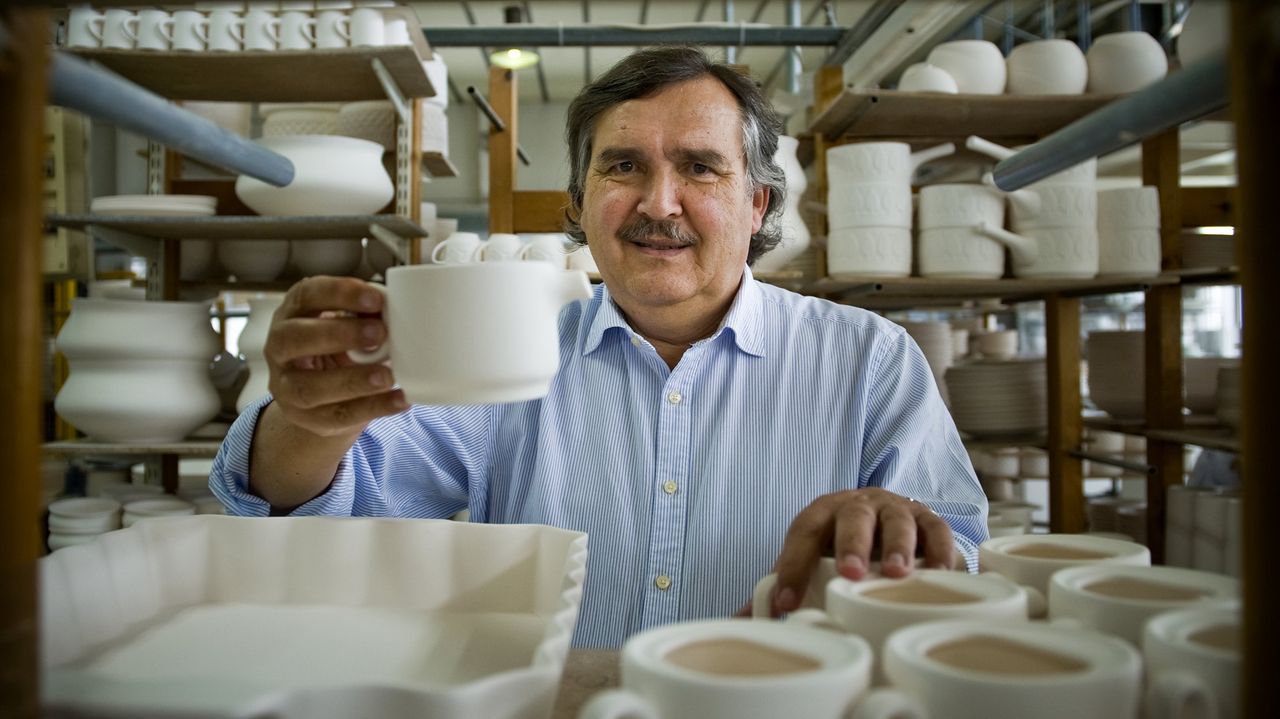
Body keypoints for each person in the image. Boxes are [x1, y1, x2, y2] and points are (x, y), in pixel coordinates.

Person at [210, 46, 988, 648]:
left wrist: (904, 531)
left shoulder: (867, 359)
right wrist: (311, 421)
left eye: (699, 167)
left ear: (756, 204)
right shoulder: (508, 349)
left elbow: (963, 559)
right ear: (579, 205)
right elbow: (314, 507)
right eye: (624, 166)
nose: (658, 202)